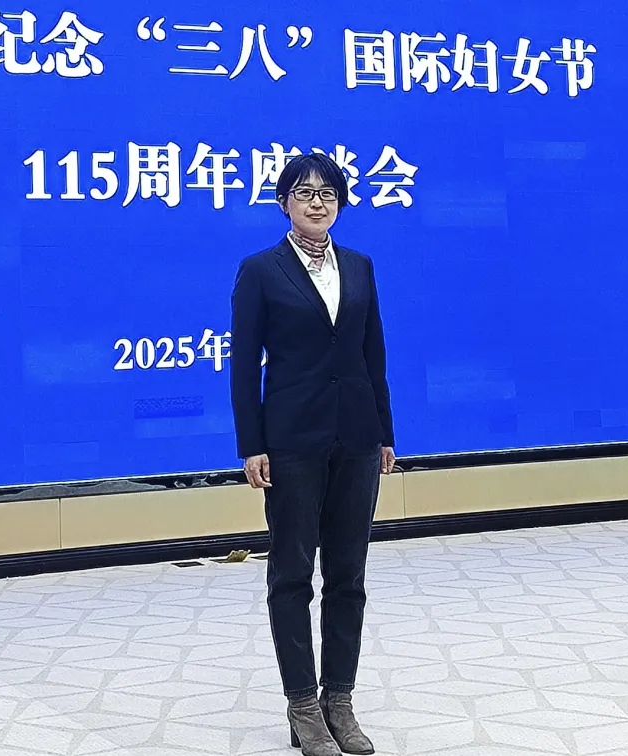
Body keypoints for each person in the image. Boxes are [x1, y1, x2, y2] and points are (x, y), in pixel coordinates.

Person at [229, 153, 396, 756]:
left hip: (356, 437)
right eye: (304, 192)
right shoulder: (260, 270)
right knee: (293, 574)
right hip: (292, 441)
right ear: (284, 204)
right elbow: (243, 365)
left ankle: (339, 701)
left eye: (328, 193)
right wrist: (252, 444)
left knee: (348, 576)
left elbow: (373, 354)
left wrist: (384, 432)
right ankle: (302, 705)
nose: (317, 202)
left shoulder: (360, 266)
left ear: (341, 203)